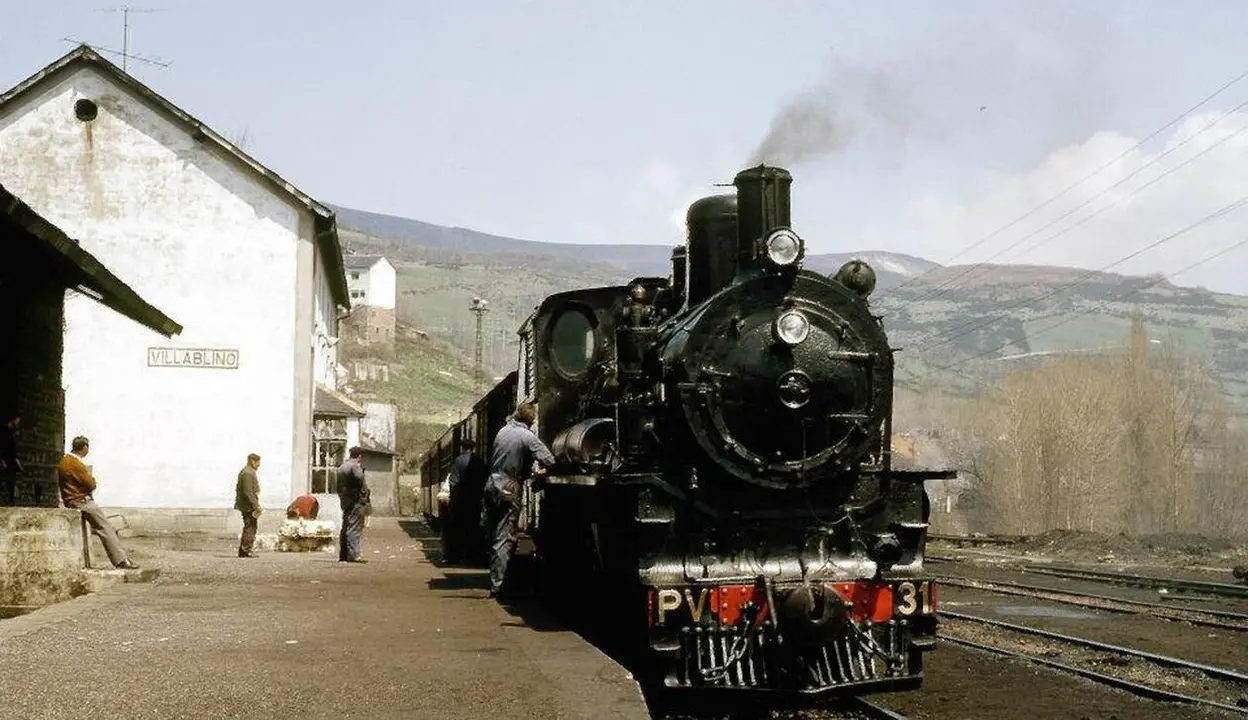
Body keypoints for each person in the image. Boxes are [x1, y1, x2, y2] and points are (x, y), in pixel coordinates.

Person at [484, 403, 555, 600]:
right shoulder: (527, 436)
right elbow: (549, 459)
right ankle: (500, 587)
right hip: (508, 486)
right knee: (505, 537)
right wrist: (541, 472)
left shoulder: (503, 431)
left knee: (494, 536)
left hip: (492, 484)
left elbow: (507, 457)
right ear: (530, 421)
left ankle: (496, 579)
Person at [56, 436, 139, 570]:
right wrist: (91, 480)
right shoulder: (75, 463)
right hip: (80, 501)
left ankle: (122, 558)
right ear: (84, 448)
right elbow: (91, 484)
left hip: (72, 499)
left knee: (103, 526)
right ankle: (121, 560)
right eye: (87, 447)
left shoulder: (65, 461)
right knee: (105, 527)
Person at [445, 439, 487, 564]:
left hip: (461, 499)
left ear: (463, 447)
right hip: (475, 499)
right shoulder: (479, 461)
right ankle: (472, 555)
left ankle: (457, 555)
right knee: (473, 527)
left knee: (458, 527)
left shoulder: (458, 460)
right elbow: (483, 479)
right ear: (473, 448)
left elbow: (453, 481)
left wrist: (453, 498)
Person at [336, 447, 370, 563]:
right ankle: (354, 555)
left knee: (346, 527)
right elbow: (359, 478)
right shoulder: (355, 466)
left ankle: (343, 555)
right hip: (356, 501)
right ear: (359, 456)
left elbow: (338, 487)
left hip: (346, 501)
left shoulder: (342, 466)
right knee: (355, 527)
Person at [234, 453, 262, 558]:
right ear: (252, 461)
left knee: (250, 526)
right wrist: (256, 506)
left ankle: (245, 550)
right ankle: (245, 550)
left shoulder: (248, 472)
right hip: (248, 506)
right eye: (257, 462)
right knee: (250, 527)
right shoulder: (248, 473)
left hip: (247, 505)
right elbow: (248, 492)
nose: (259, 465)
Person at [0, 414, 21, 506]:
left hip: (10, 460)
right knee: (7, 480)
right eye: (17, 421)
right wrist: (2, 460)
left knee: (11, 480)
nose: (18, 424)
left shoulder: (11, 433)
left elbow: (13, 451)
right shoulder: (4, 432)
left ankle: (10, 501)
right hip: (5, 460)